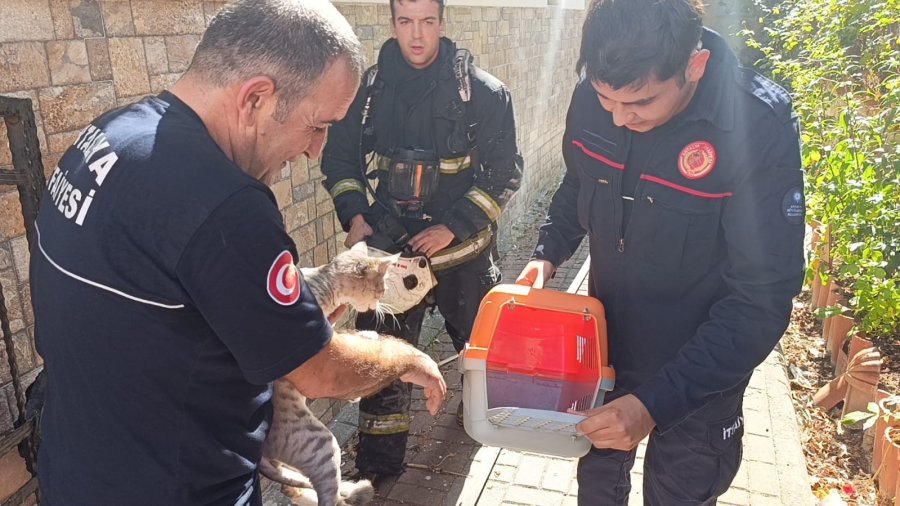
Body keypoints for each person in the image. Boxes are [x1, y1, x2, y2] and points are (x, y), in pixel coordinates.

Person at [28, 1, 447, 504]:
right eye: (318, 125)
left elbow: (164, 292)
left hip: (75, 475)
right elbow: (320, 370)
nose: (317, 149)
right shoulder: (226, 206)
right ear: (256, 98)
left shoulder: (107, 136)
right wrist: (402, 353)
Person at [517, 0, 805, 504]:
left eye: (641, 103)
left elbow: (761, 299)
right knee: (598, 488)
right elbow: (579, 179)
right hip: (604, 354)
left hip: (700, 376)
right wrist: (547, 253)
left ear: (693, 67)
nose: (619, 117)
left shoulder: (755, 124)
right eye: (607, 100)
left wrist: (655, 403)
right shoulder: (598, 93)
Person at [320, 0, 523, 482]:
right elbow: (340, 163)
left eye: (427, 22)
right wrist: (356, 217)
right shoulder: (366, 92)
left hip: (461, 256)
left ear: (442, 24)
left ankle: (480, 424)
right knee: (382, 359)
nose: (417, 35)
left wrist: (453, 224)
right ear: (392, 24)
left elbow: (504, 173)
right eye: (406, 22)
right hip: (390, 254)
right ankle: (379, 469)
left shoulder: (483, 94)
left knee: (479, 351)